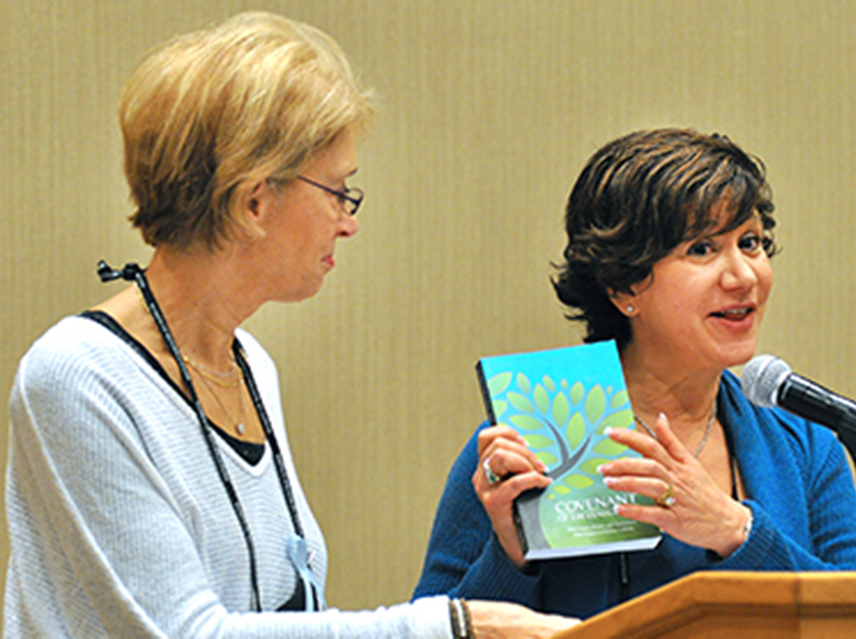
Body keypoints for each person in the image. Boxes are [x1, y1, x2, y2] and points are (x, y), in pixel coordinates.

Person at [3, 12, 579, 638]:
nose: (348, 221)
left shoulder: (247, 362)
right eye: (338, 191)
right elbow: (186, 634)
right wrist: (456, 627)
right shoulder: (77, 378)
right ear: (254, 201)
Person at [412, 128, 856, 619]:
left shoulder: (807, 446)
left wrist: (736, 532)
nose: (743, 276)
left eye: (750, 242)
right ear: (624, 284)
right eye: (703, 249)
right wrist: (511, 555)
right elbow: (433, 627)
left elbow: (848, 616)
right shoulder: (530, 439)